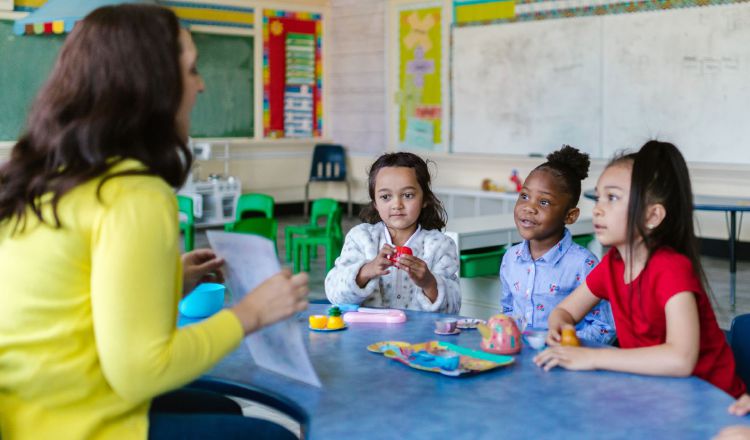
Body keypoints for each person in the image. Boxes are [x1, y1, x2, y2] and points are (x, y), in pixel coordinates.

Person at [0, 5, 308, 440]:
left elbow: (70, 302)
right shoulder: (135, 194)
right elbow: (141, 371)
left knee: (225, 409)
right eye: (192, 69)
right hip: (68, 424)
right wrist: (251, 313)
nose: (201, 85)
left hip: (26, 409)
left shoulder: (48, 175)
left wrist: (166, 280)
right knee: (274, 437)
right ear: (150, 85)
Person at [533, 141, 746, 399]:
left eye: (612, 198)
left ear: (652, 216)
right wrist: (560, 327)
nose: (598, 209)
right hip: (659, 394)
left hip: (713, 403)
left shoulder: (671, 269)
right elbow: (565, 310)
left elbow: (681, 359)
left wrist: (594, 357)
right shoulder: (613, 264)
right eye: (599, 197)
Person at [500, 145, 615, 344]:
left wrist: (561, 344)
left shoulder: (583, 264)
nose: (529, 208)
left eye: (544, 202)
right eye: (524, 196)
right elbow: (508, 310)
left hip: (564, 363)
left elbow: (604, 328)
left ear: (570, 216)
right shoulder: (511, 258)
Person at [325, 152, 460, 313]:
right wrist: (366, 271)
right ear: (375, 202)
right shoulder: (360, 238)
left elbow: (453, 308)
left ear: (425, 199)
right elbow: (334, 294)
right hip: (367, 335)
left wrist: (429, 283)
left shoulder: (441, 245)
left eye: (408, 195)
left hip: (419, 336)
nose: (397, 204)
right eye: (385, 196)